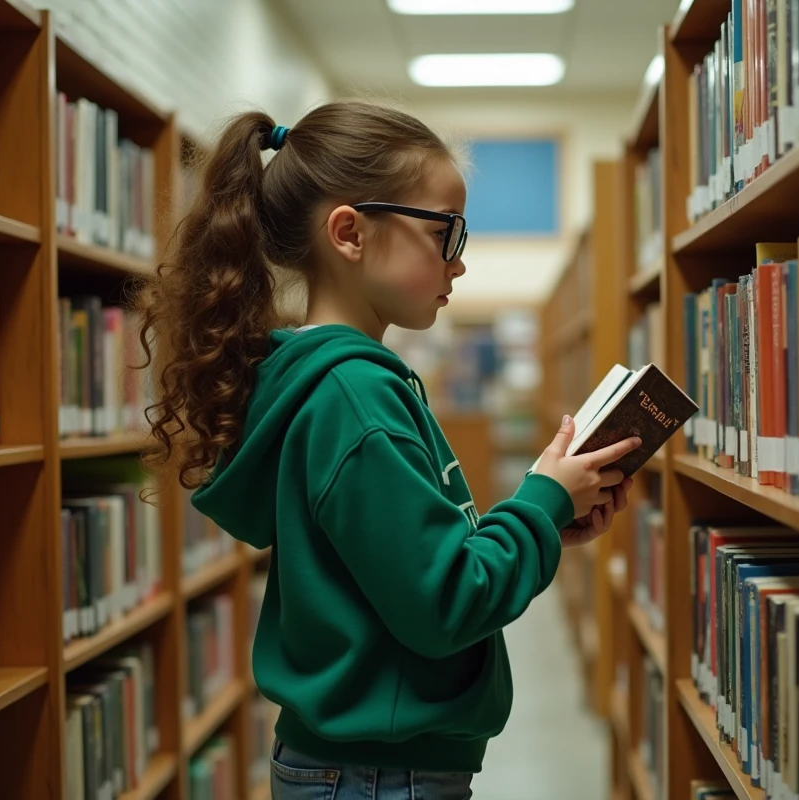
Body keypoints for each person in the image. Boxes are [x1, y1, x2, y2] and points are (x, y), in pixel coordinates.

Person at [137, 100, 640, 800]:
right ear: (350, 233)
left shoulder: (336, 384)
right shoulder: (354, 398)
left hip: (366, 767)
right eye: (446, 234)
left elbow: (416, 566)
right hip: (379, 778)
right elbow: (445, 604)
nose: (458, 265)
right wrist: (540, 501)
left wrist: (545, 519)